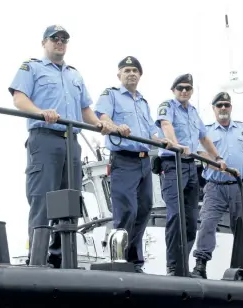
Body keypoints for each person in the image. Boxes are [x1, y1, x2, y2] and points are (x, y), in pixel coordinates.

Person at [8, 24, 115, 268]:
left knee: (70, 200)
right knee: (43, 199)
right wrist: (40, 112)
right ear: (44, 43)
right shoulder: (32, 68)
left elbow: (85, 109)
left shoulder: (75, 75)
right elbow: (19, 98)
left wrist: (99, 124)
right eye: (54, 38)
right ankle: (38, 260)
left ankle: (62, 259)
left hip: (72, 142)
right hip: (44, 138)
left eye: (64, 39)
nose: (59, 42)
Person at [94, 56, 174, 273]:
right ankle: (118, 260)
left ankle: (135, 261)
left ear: (140, 75)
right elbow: (102, 117)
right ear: (119, 74)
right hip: (124, 160)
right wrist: (114, 126)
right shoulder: (110, 94)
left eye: (135, 70)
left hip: (144, 162)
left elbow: (151, 129)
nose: (131, 73)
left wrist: (161, 138)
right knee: (126, 210)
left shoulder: (142, 102)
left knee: (144, 209)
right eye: (127, 70)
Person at [155, 73, 227, 276]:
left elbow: (203, 137)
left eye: (188, 88)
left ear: (192, 91)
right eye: (180, 88)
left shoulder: (194, 113)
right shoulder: (167, 106)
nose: (184, 91)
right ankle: (172, 265)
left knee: (191, 219)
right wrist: (177, 145)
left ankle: (182, 266)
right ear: (173, 90)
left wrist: (218, 157)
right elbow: (166, 125)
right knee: (176, 215)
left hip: (190, 166)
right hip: (172, 164)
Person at [191, 91, 243, 279]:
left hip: (240, 187)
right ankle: (200, 265)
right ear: (214, 109)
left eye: (226, 104)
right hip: (215, 186)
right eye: (219, 105)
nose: (223, 108)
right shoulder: (206, 131)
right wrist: (218, 164)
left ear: (231, 107)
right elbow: (203, 154)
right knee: (207, 223)